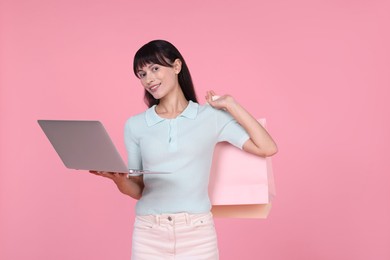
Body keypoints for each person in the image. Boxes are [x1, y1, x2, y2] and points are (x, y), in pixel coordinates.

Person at [90, 39, 277, 260]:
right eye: (142, 74)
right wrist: (118, 179)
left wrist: (231, 104)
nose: (149, 79)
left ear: (177, 66)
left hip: (198, 233)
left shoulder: (210, 117)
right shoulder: (135, 125)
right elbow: (138, 189)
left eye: (155, 68)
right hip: (149, 233)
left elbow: (267, 147)